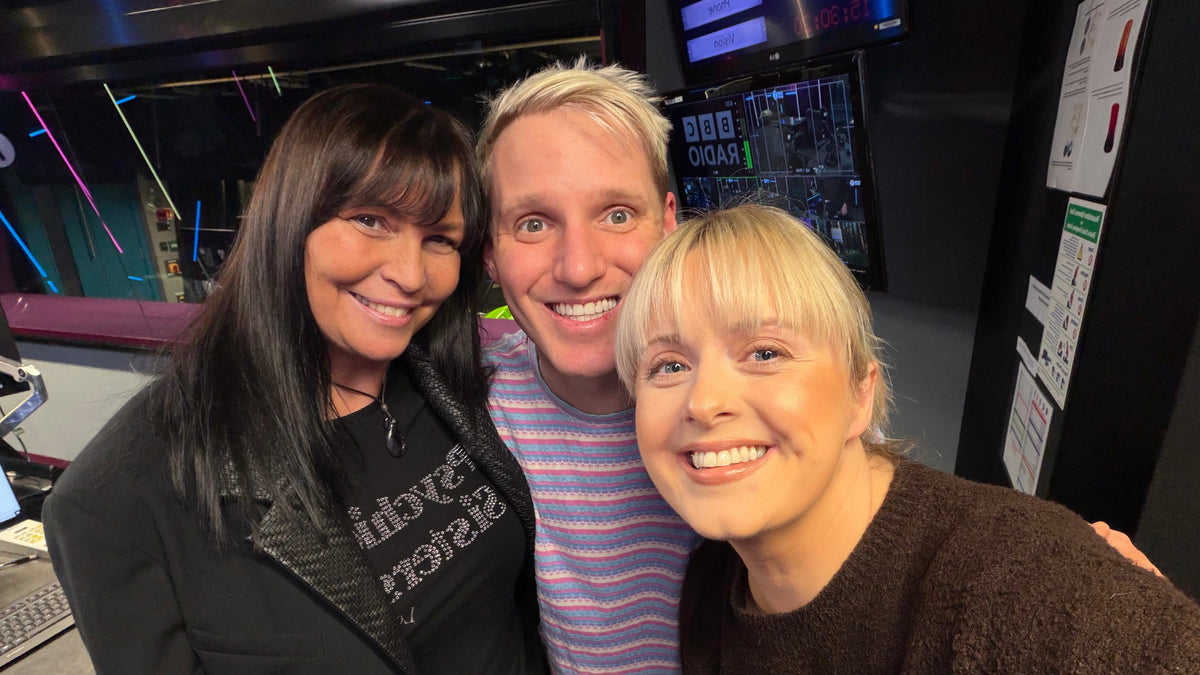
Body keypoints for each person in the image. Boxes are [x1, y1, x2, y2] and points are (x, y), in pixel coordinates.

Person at [43, 84, 547, 674]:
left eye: (439, 239)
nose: (412, 275)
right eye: (371, 220)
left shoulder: (454, 382)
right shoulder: (119, 497)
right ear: (288, 222)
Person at [614, 204, 1200, 673]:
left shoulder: (1016, 583)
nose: (704, 402)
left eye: (765, 353)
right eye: (668, 365)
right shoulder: (709, 593)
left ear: (860, 394)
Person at [477, 61, 698, 672]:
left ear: (668, 223)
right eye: (533, 223)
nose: (579, 268)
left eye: (617, 215)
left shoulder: (751, 389)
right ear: (491, 255)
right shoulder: (464, 402)